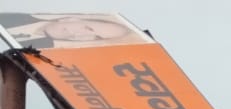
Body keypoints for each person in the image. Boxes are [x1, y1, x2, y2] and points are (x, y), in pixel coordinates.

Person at [0, 13, 140, 49]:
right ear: (73, 18)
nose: (82, 35)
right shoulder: (12, 16)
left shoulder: (40, 52)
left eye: (96, 37)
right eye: (88, 28)